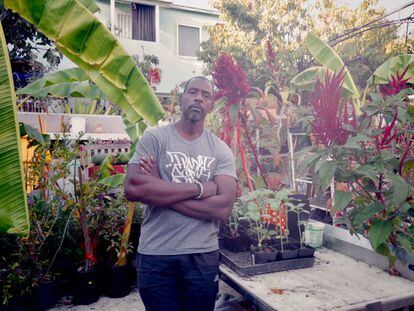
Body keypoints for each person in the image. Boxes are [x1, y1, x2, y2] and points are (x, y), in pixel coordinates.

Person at [125, 76, 237, 311]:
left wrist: (159, 186)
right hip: (156, 254)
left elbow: (223, 208)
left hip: (201, 256)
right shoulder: (155, 139)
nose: (198, 98)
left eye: (206, 95)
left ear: (211, 104)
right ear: (182, 98)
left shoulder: (220, 150)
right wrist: (199, 189)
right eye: (193, 92)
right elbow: (133, 188)